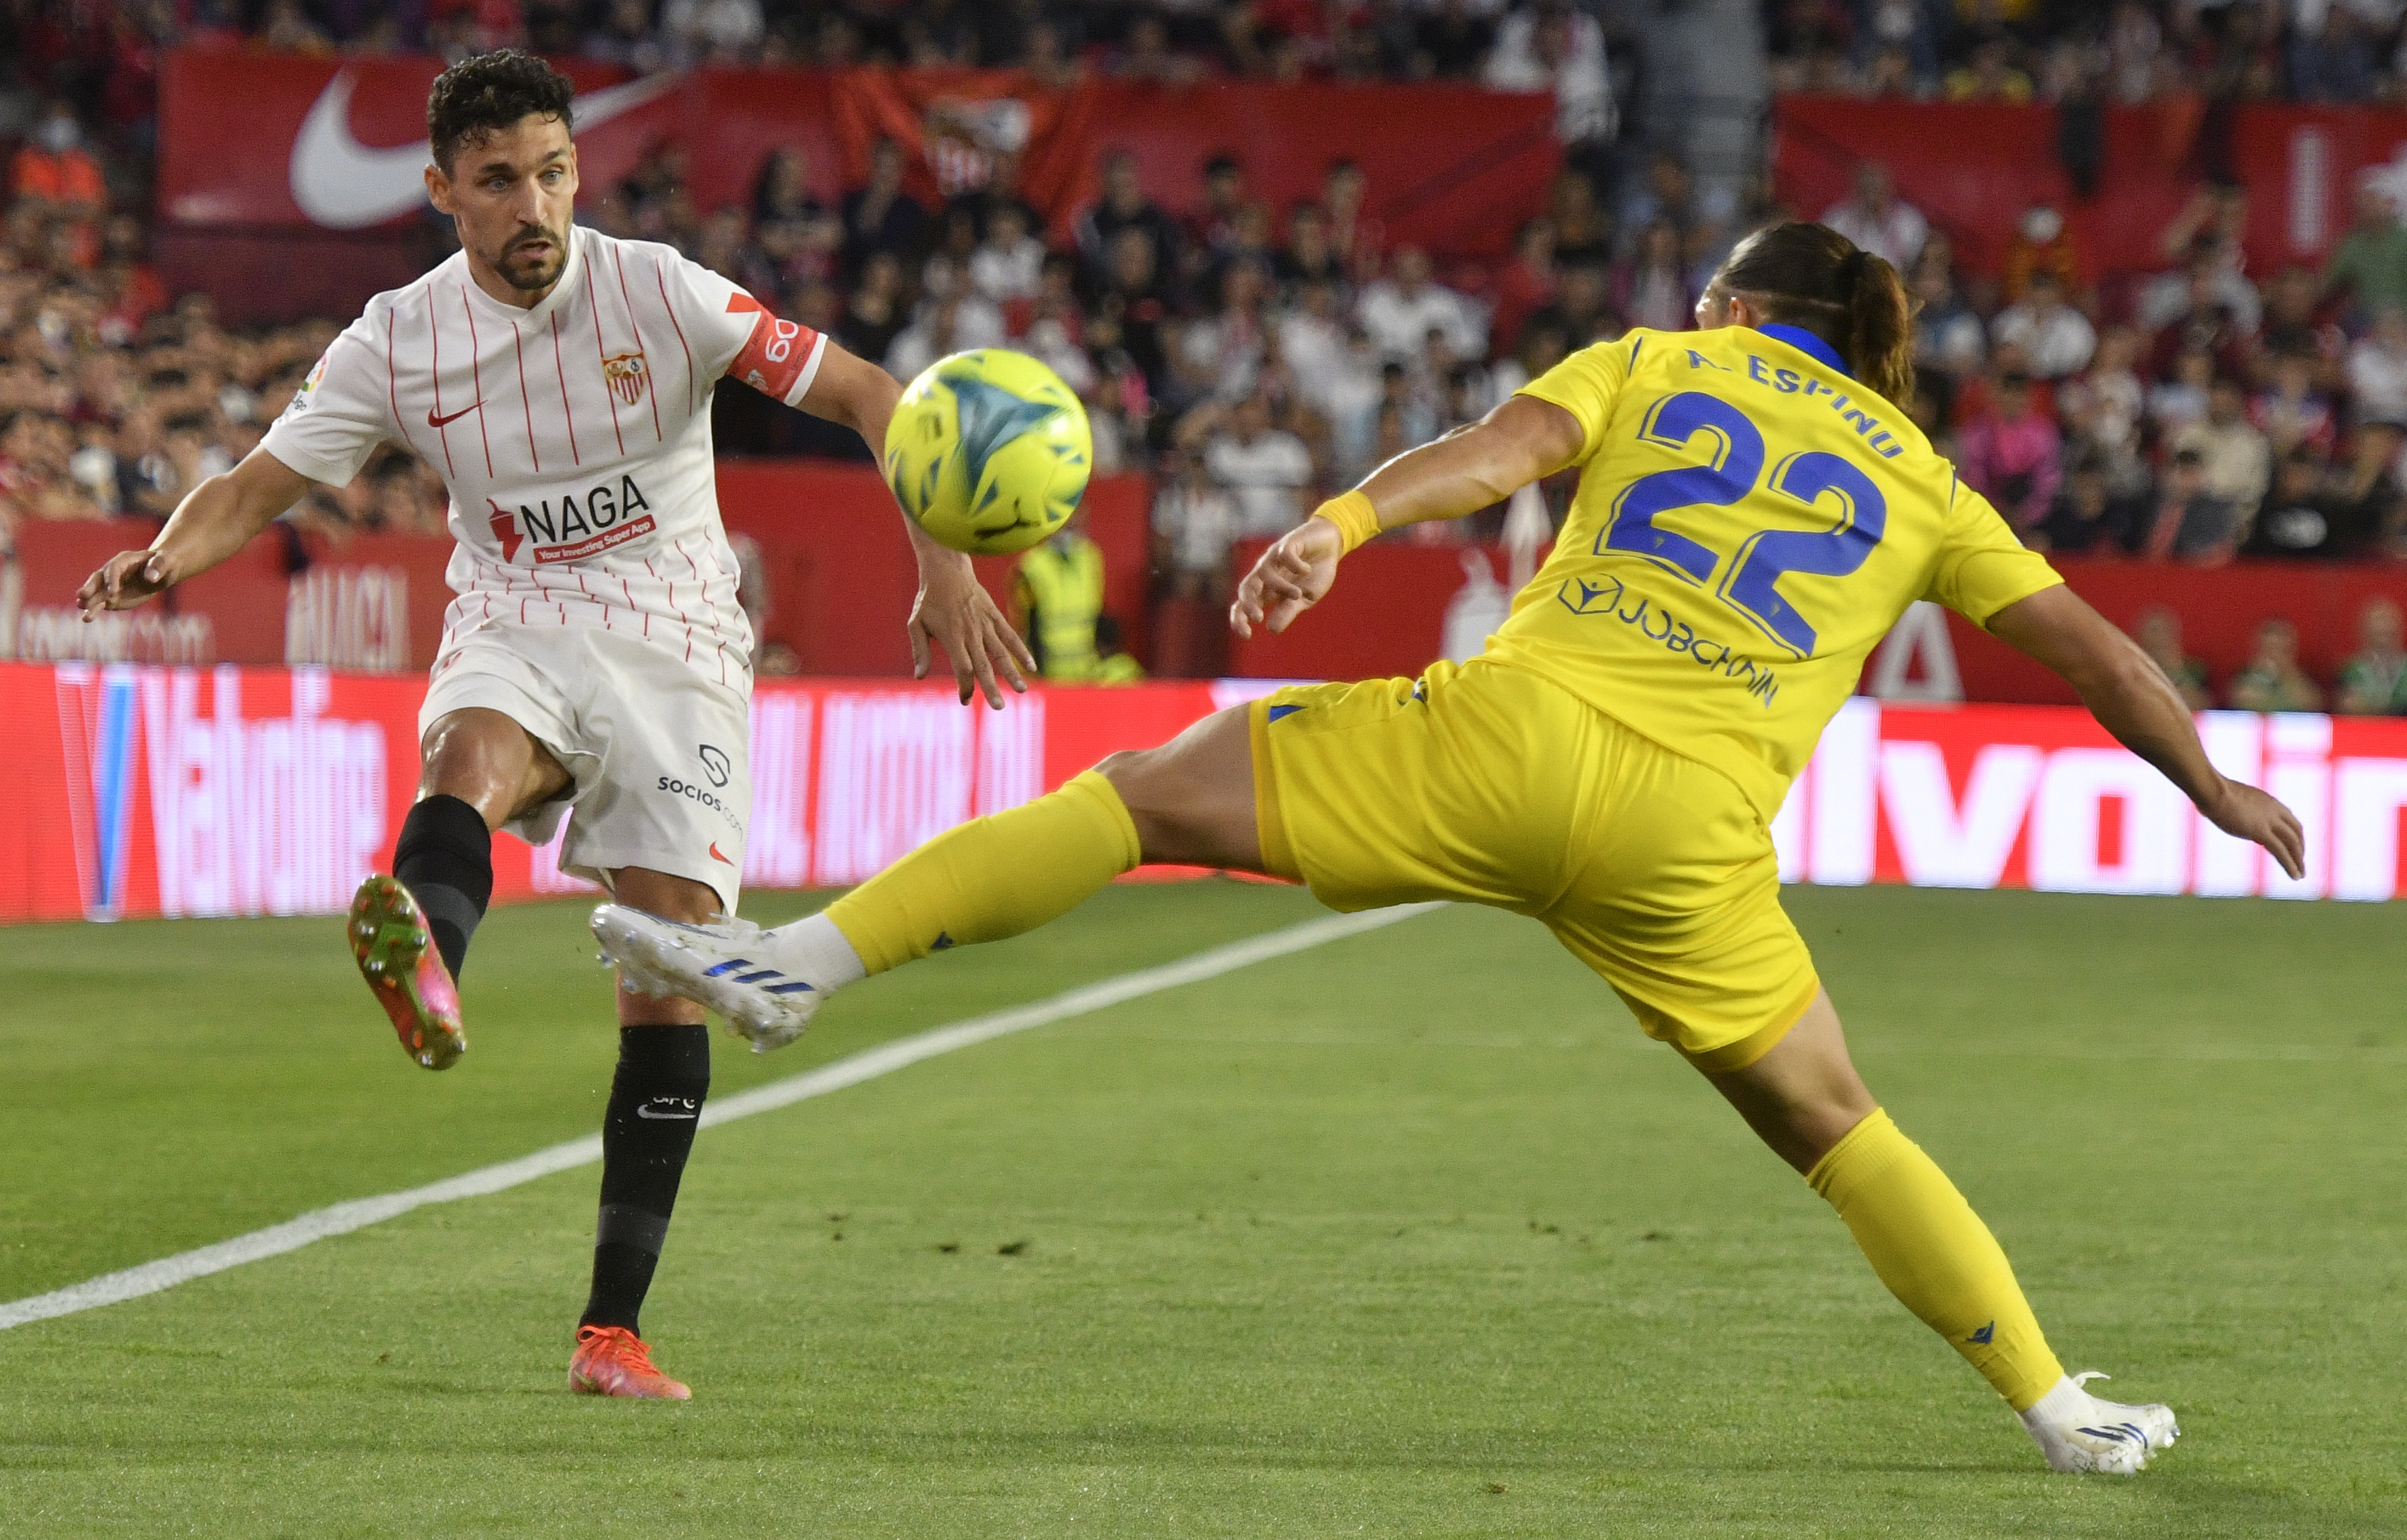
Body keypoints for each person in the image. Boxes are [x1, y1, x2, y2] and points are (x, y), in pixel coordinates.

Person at [594, 220, 2303, 1475]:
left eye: (1714, 288)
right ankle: (2059, 1404)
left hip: (1514, 740)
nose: (1696, 306)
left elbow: (1493, 460)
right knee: (1839, 1123)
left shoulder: (1658, 364)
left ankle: (796, 963)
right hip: (1689, 839)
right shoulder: (1925, 476)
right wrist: (2210, 784)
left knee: (1143, 797)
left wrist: (1339, 523)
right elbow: (2098, 652)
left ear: (1748, 310)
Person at [73, 51, 1032, 1402]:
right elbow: (257, 482)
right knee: (467, 753)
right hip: (515, 613)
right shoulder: (396, 338)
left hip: (681, 641)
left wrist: (941, 560)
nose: (534, 206)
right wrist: (164, 559)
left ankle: (610, 1331)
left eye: (553, 172)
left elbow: (875, 396)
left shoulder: (666, 291)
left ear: (577, 168)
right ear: (441, 191)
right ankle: (429, 963)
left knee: (672, 971)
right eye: (499, 182)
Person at [2226, 618, 2326, 713]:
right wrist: (2261, 672)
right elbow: (2240, 701)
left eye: (2282, 650)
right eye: (2270, 649)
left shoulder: (2305, 676)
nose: (2275, 656)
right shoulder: (2244, 675)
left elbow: (2312, 704)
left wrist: (2288, 672)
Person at [2335, 597, 2407, 716]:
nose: (2385, 627)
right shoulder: (2351, 670)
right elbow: (2348, 706)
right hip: (2366, 730)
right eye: (2379, 633)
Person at [2132, 606, 2212, 710]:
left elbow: (2203, 708)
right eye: (2153, 632)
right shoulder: (2130, 668)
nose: (2157, 639)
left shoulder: (2195, 670)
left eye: (2163, 631)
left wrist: (2175, 671)